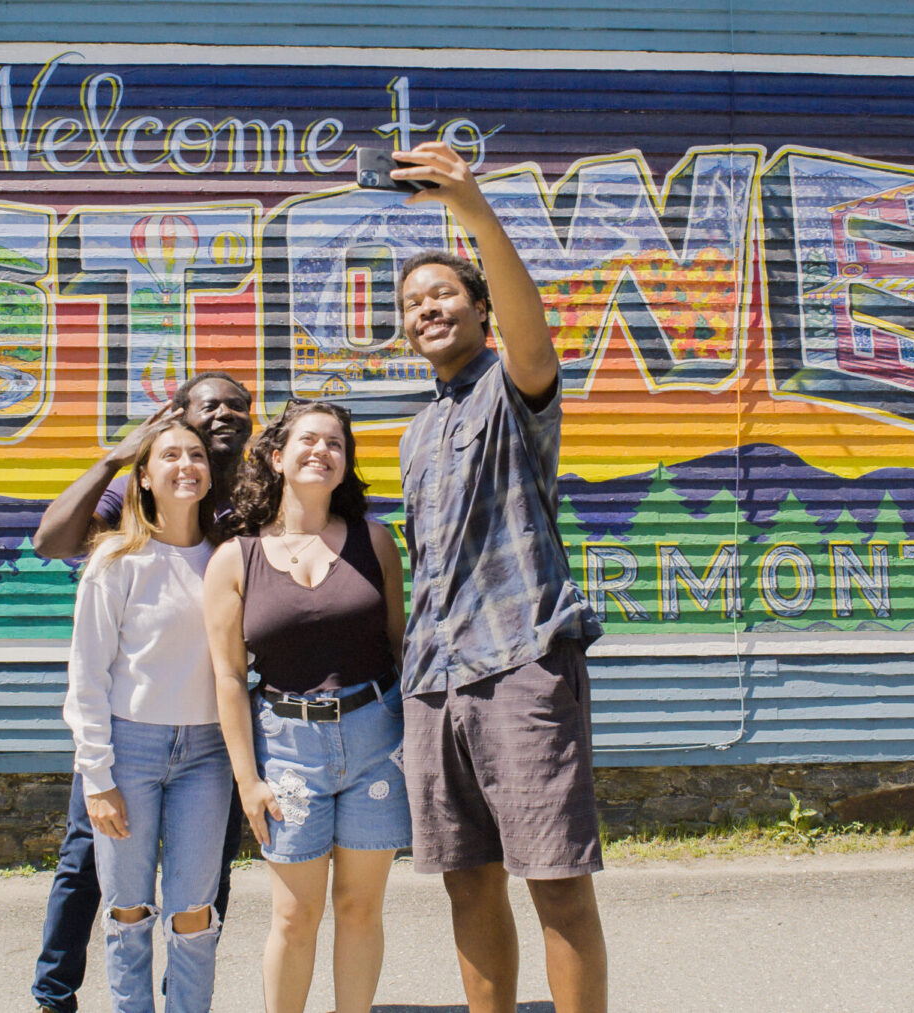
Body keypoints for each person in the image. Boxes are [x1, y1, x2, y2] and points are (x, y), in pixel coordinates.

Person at [388, 142, 609, 1013]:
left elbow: (533, 329)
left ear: (482, 310)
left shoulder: (515, 389)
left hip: (520, 662)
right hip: (434, 682)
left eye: (442, 293)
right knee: (467, 883)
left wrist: (474, 214)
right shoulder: (413, 434)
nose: (425, 309)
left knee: (554, 879)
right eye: (412, 303)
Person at [31, 372, 252, 1013]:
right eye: (210, 405)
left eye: (239, 406)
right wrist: (118, 457)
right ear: (172, 420)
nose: (226, 415)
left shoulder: (252, 500)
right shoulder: (134, 504)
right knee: (90, 867)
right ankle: (56, 993)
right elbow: (52, 542)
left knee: (201, 888)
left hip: (211, 734)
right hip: (131, 734)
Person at [203, 399, 411, 1013]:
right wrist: (248, 781)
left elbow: (401, 647)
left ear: (345, 466)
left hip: (377, 740)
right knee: (295, 915)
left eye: (335, 445)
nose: (321, 451)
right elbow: (227, 676)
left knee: (359, 908)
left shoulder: (376, 543)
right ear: (276, 456)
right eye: (307, 441)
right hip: (288, 749)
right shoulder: (233, 558)